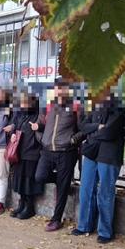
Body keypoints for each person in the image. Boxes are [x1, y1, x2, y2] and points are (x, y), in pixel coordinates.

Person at [72, 93, 125, 243]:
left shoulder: (118, 105)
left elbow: (109, 132)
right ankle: (84, 225)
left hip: (109, 154)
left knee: (105, 192)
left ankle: (105, 231)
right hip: (91, 152)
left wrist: (92, 132)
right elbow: (82, 125)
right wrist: (97, 127)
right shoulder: (92, 104)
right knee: (86, 189)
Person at [34, 80, 82, 232]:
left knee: (62, 189)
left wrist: (73, 140)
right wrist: (41, 138)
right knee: (39, 176)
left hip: (66, 152)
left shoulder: (75, 106)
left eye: (63, 89)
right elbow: (39, 125)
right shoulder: (48, 106)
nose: (59, 92)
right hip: (48, 150)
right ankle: (63, 181)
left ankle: (56, 219)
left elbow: (83, 129)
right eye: (57, 89)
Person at [10, 92, 44, 220]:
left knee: (29, 182)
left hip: (32, 153)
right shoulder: (21, 116)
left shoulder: (38, 116)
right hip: (20, 152)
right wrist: (13, 134)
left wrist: (38, 126)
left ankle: (29, 208)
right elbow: (15, 128)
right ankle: (21, 204)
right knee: (20, 180)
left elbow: (44, 128)